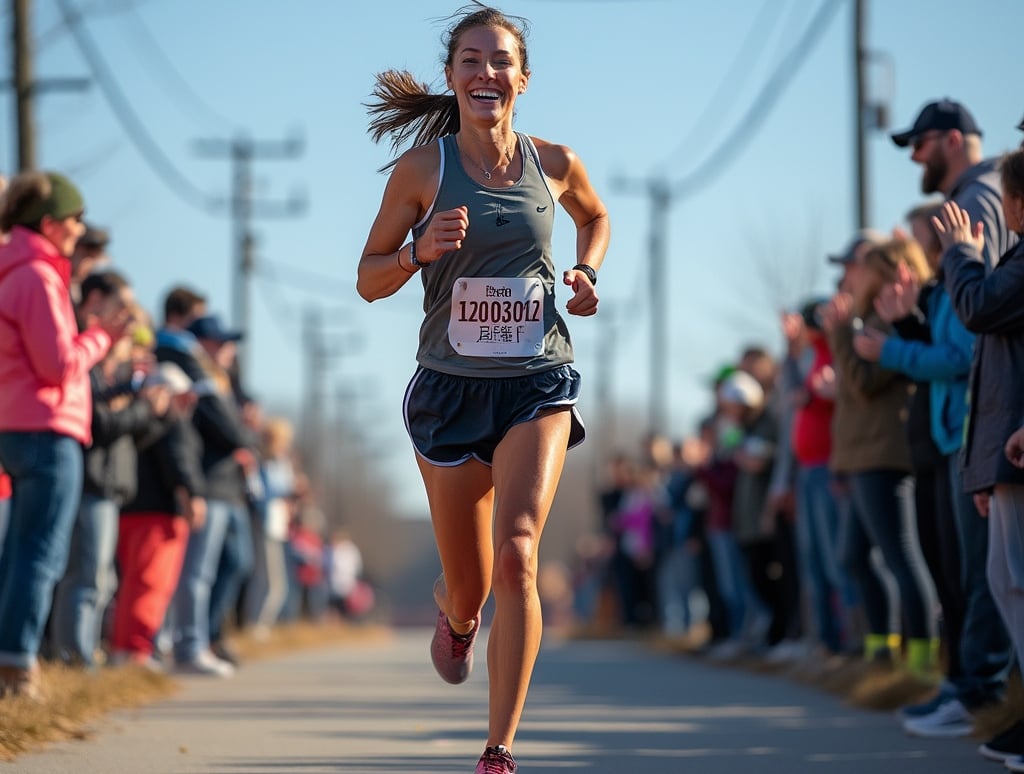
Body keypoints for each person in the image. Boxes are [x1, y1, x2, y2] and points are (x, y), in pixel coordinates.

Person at [357, 4, 609, 770]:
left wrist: (586, 272)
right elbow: (367, 278)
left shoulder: (555, 162)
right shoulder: (423, 171)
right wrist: (414, 252)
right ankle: (455, 614)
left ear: (522, 79)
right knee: (471, 585)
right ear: (452, 77)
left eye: (500, 60)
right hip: (450, 390)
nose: (485, 72)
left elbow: (594, 217)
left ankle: (498, 749)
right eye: (470, 59)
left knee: (520, 556)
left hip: (538, 379)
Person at [856, 211, 1011, 737]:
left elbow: (958, 356)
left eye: (934, 241)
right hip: (943, 443)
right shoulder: (941, 293)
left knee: (974, 574)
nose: (930, 252)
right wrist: (901, 326)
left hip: (960, 442)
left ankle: (977, 689)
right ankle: (958, 682)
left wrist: (893, 344)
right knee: (952, 570)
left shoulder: (961, 289)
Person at [0, 171, 128, 698]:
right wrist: (102, 337)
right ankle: (18, 667)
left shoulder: (16, 270)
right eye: (75, 219)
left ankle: (12, 658)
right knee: (41, 554)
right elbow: (57, 365)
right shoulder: (38, 276)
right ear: (50, 223)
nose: (80, 229)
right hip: (48, 429)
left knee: (20, 551)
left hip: (19, 424)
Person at [934, 150, 1024, 768]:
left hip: (1012, 439)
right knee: (1002, 580)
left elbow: (978, 309)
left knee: (1012, 581)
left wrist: (961, 255)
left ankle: (989, 695)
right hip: (1001, 441)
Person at [822, 233, 933, 671]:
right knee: (854, 557)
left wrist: (837, 335)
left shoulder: (888, 318)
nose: (852, 276)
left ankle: (922, 665)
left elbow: (865, 384)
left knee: (901, 557)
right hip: (862, 455)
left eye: (863, 266)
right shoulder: (871, 317)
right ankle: (881, 654)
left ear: (884, 272)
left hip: (883, 454)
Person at [50, 270, 161, 669]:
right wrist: (140, 402)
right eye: (123, 311)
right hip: (93, 480)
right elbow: (101, 424)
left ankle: (82, 653)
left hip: (111, 484)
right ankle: (75, 657)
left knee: (101, 579)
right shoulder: (93, 363)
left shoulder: (122, 370)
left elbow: (137, 435)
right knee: (86, 575)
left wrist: (153, 407)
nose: (129, 323)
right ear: (98, 307)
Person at [111, 361, 204, 669]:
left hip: (132, 511)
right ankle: (136, 650)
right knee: (151, 584)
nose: (189, 401)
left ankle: (125, 647)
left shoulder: (139, 420)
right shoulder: (170, 423)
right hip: (158, 515)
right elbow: (180, 461)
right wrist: (191, 493)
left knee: (133, 584)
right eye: (183, 394)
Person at [891, 99, 1018, 272]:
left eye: (919, 144)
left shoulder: (973, 201)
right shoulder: (994, 187)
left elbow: (979, 296)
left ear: (952, 141)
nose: (913, 156)